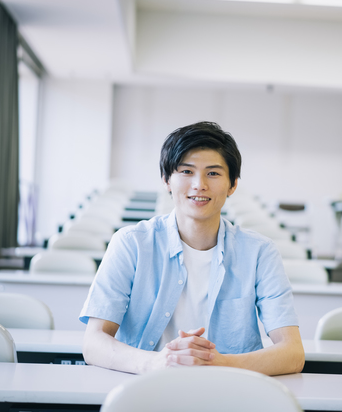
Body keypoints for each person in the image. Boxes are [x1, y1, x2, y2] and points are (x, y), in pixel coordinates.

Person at [80, 121, 304, 375]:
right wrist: (155, 363)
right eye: (186, 172)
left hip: (230, 392)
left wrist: (217, 364)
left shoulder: (259, 252)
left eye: (213, 173)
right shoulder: (131, 244)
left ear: (233, 184)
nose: (199, 184)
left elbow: (293, 353)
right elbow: (93, 343)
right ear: (166, 180)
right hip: (144, 388)